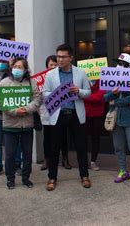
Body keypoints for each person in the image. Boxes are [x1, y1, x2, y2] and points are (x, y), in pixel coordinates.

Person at [43, 44, 91, 191]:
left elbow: (88, 92)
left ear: (71, 57)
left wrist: (79, 91)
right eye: (58, 56)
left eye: (63, 57)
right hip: (58, 115)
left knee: (81, 146)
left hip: (76, 114)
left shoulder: (80, 73)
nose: (60, 59)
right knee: (54, 147)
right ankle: (52, 177)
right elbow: (44, 93)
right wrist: (56, 94)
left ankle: (84, 175)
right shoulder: (50, 74)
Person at [0, 57, 40, 189]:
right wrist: (16, 111)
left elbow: (37, 98)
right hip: (10, 125)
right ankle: (10, 178)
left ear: (25, 69)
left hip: (27, 124)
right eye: (15, 66)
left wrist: (26, 110)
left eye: (20, 67)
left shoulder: (31, 82)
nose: (17, 69)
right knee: (10, 154)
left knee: (27, 153)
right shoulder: (4, 83)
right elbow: (0, 103)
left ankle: (26, 178)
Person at [104, 53, 130, 185]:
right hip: (116, 118)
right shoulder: (111, 78)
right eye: (118, 63)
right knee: (118, 146)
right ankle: (122, 170)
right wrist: (113, 94)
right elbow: (105, 97)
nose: (119, 66)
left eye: (123, 64)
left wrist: (116, 101)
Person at [40, 55, 72, 171]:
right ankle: (46, 159)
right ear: (46, 66)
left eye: (55, 64)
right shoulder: (41, 78)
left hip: (60, 111)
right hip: (47, 111)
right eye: (51, 65)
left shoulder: (62, 77)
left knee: (63, 136)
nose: (53, 66)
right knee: (47, 136)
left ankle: (65, 158)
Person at [84, 78, 106, 171]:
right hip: (85, 114)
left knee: (95, 138)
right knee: (83, 138)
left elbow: (100, 96)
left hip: (97, 114)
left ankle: (93, 161)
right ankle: (83, 161)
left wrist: (86, 97)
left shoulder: (102, 81)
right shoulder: (83, 80)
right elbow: (80, 93)